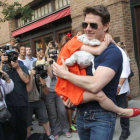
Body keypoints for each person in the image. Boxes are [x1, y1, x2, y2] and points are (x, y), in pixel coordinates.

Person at [53, 5, 139, 140]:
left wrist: (66, 75)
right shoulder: (82, 46)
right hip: (81, 113)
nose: (87, 28)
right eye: (85, 24)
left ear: (106, 26)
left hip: (101, 116)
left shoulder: (112, 52)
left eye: (93, 25)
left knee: (97, 94)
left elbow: (94, 85)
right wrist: (71, 96)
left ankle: (121, 112)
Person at [1, 50, 29, 140]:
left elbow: (26, 80)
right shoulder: (3, 68)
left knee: (22, 130)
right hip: (9, 105)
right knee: (11, 132)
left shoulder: (22, 67)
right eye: (10, 56)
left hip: (22, 103)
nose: (12, 59)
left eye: (15, 56)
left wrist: (18, 68)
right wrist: (2, 62)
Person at [26, 60, 56, 140]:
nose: (40, 69)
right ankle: (28, 137)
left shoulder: (45, 76)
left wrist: (43, 84)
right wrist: (31, 76)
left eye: (42, 67)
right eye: (38, 67)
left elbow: (46, 92)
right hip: (28, 101)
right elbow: (28, 89)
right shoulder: (28, 73)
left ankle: (49, 135)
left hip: (39, 100)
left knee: (44, 118)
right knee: (28, 121)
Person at [46, 47, 71, 140]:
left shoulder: (60, 62)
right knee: (52, 113)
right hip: (49, 92)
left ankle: (65, 129)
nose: (53, 55)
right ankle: (56, 131)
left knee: (62, 111)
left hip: (59, 91)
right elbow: (50, 76)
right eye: (51, 53)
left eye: (54, 53)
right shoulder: (46, 63)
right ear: (48, 55)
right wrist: (49, 65)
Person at [116, 44, 131, 140]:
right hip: (108, 88)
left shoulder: (119, 51)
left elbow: (126, 70)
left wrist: (119, 86)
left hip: (119, 88)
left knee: (122, 110)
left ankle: (125, 131)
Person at [0, 70, 14, 140]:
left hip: (3, 112)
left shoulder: (1, 81)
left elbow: (9, 88)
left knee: (6, 134)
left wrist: (7, 77)